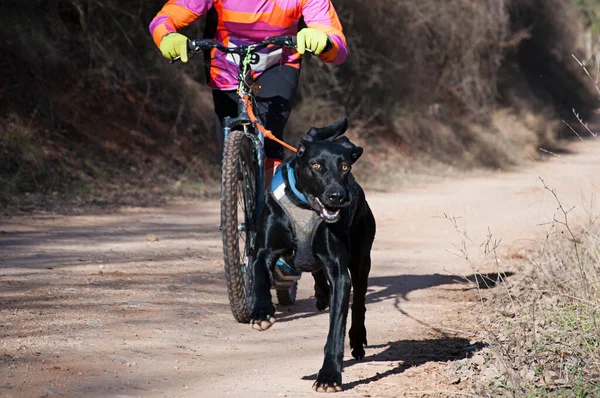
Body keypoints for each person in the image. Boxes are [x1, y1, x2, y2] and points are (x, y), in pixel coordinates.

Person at [149, 0, 348, 183]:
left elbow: (338, 48)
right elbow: (164, 18)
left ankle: (271, 209)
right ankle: (235, 204)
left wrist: (325, 42)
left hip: (278, 64)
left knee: (269, 135)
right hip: (225, 62)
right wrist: (167, 36)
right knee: (229, 147)